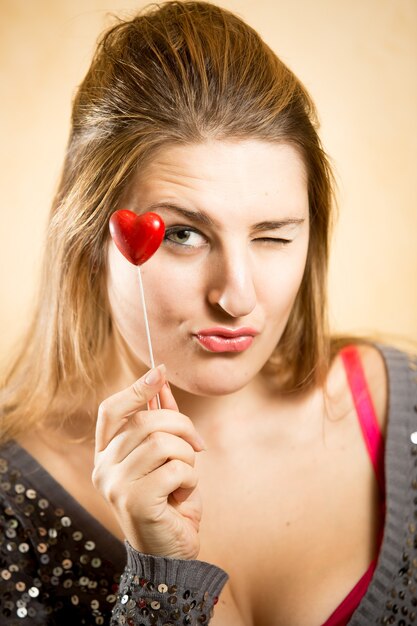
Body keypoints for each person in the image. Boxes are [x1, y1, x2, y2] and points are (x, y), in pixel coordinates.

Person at [0, 1, 416, 624]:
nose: (237, 297)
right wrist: (158, 583)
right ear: (89, 236)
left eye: (273, 236)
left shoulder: (399, 418)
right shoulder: (14, 509)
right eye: (184, 235)